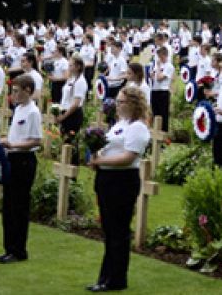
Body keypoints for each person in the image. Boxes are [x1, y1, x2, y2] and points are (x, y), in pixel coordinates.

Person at [87, 86, 151, 292]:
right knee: (109, 230)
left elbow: (129, 157)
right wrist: (95, 153)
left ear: (133, 104)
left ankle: (116, 279)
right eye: (117, 101)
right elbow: (109, 147)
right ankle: (105, 276)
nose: (117, 105)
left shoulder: (138, 127)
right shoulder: (119, 124)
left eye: (122, 102)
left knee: (118, 231)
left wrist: (102, 161)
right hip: (107, 178)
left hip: (122, 180)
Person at [0, 76, 42, 264]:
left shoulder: (33, 112)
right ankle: (8, 247)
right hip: (12, 157)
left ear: (28, 90)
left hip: (24, 160)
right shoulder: (19, 109)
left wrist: (12, 143)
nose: (13, 94)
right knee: (9, 206)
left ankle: (19, 249)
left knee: (19, 206)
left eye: (16, 91)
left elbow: (35, 140)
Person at [60, 57, 88, 143]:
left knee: (70, 141)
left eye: (71, 65)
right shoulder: (72, 79)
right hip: (66, 111)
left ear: (78, 67)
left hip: (73, 114)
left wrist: (63, 117)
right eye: (69, 65)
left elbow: (76, 104)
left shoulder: (80, 82)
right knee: (64, 140)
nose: (69, 67)